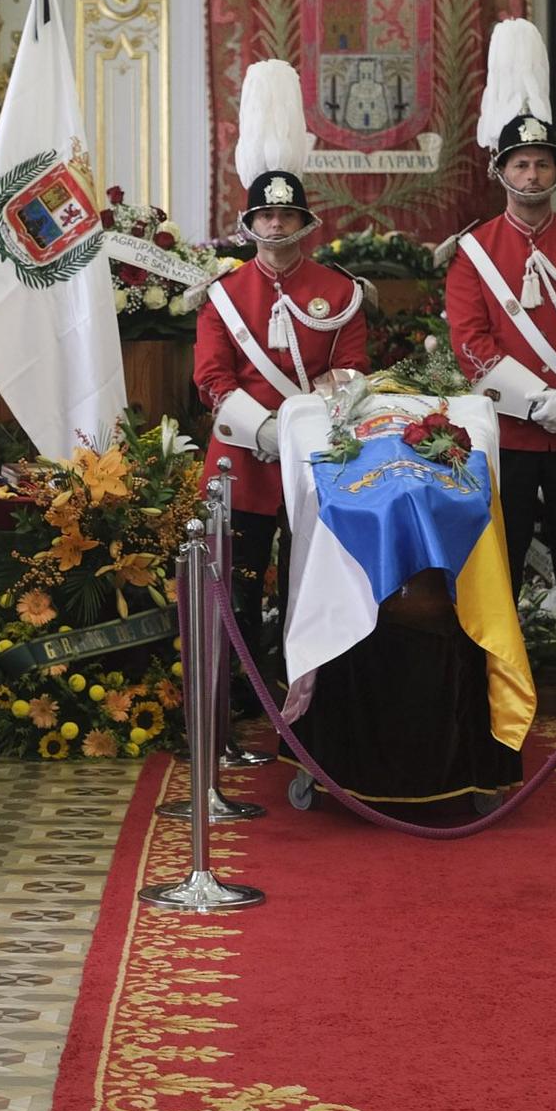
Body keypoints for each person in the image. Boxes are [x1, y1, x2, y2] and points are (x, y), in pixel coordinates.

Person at [446, 19, 556, 728]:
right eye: (520, 165)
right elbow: (471, 344)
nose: (532, 176)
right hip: (511, 440)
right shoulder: (474, 252)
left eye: (543, 164)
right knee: (502, 576)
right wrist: (539, 404)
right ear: (501, 172)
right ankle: (496, 701)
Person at [194, 59, 367, 705]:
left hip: (316, 459)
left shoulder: (340, 292)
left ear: (303, 223)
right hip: (240, 460)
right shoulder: (224, 295)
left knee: (310, 581)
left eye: (286, 217)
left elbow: (350, 370)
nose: (274, 227)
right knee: (235, 587)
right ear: (250, 224)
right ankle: (236, 700)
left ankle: (309, 693)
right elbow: (210, 377)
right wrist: (264, 431)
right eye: (264, 218)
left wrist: (298, 429)